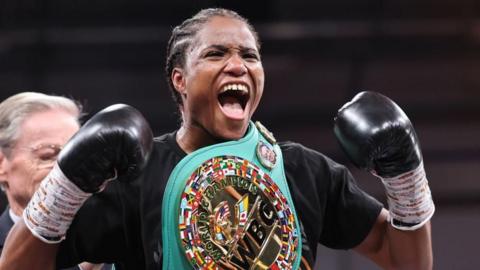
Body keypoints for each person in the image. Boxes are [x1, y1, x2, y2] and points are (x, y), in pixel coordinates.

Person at [0, 8, 434, 270]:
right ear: (180, 80)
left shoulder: (304, 170)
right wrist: (69, 179)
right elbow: (19, 264)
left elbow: (403, 259)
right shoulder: (140, 174)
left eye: (249, 55)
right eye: (216, 53)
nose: (238, 65)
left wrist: (405, 175)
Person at [0, 92, 113, 270]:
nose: (66, 170)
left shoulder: (116, 246)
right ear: (1, 164)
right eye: (48, 155)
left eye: (76, 154)